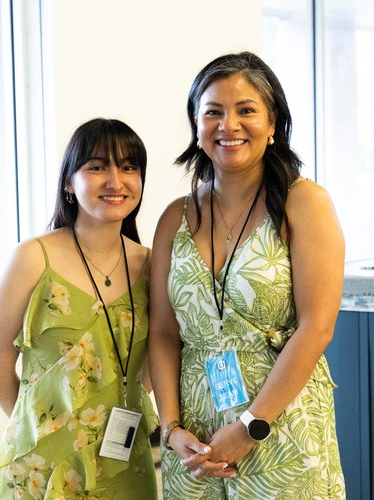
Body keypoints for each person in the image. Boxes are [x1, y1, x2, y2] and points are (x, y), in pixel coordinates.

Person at [148, 51, 345, 499]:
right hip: (195, 443)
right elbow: (163, 333)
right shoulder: (174, 218)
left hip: (282, 426)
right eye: (213, 112)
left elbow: (317, 327)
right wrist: (171, 428)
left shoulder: (304, 203)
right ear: (196, 124)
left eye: (246, 110)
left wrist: (250, 426)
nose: (228, 125)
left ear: (273, 123)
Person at [0, 118, 159, 499]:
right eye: (97, 167)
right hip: (42, 465)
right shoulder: (31, 258)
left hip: (124, 459)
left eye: (129, 167)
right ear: (68, 182)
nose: (115, 181)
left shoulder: (152, 265)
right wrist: (45, 430)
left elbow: (153, 361)